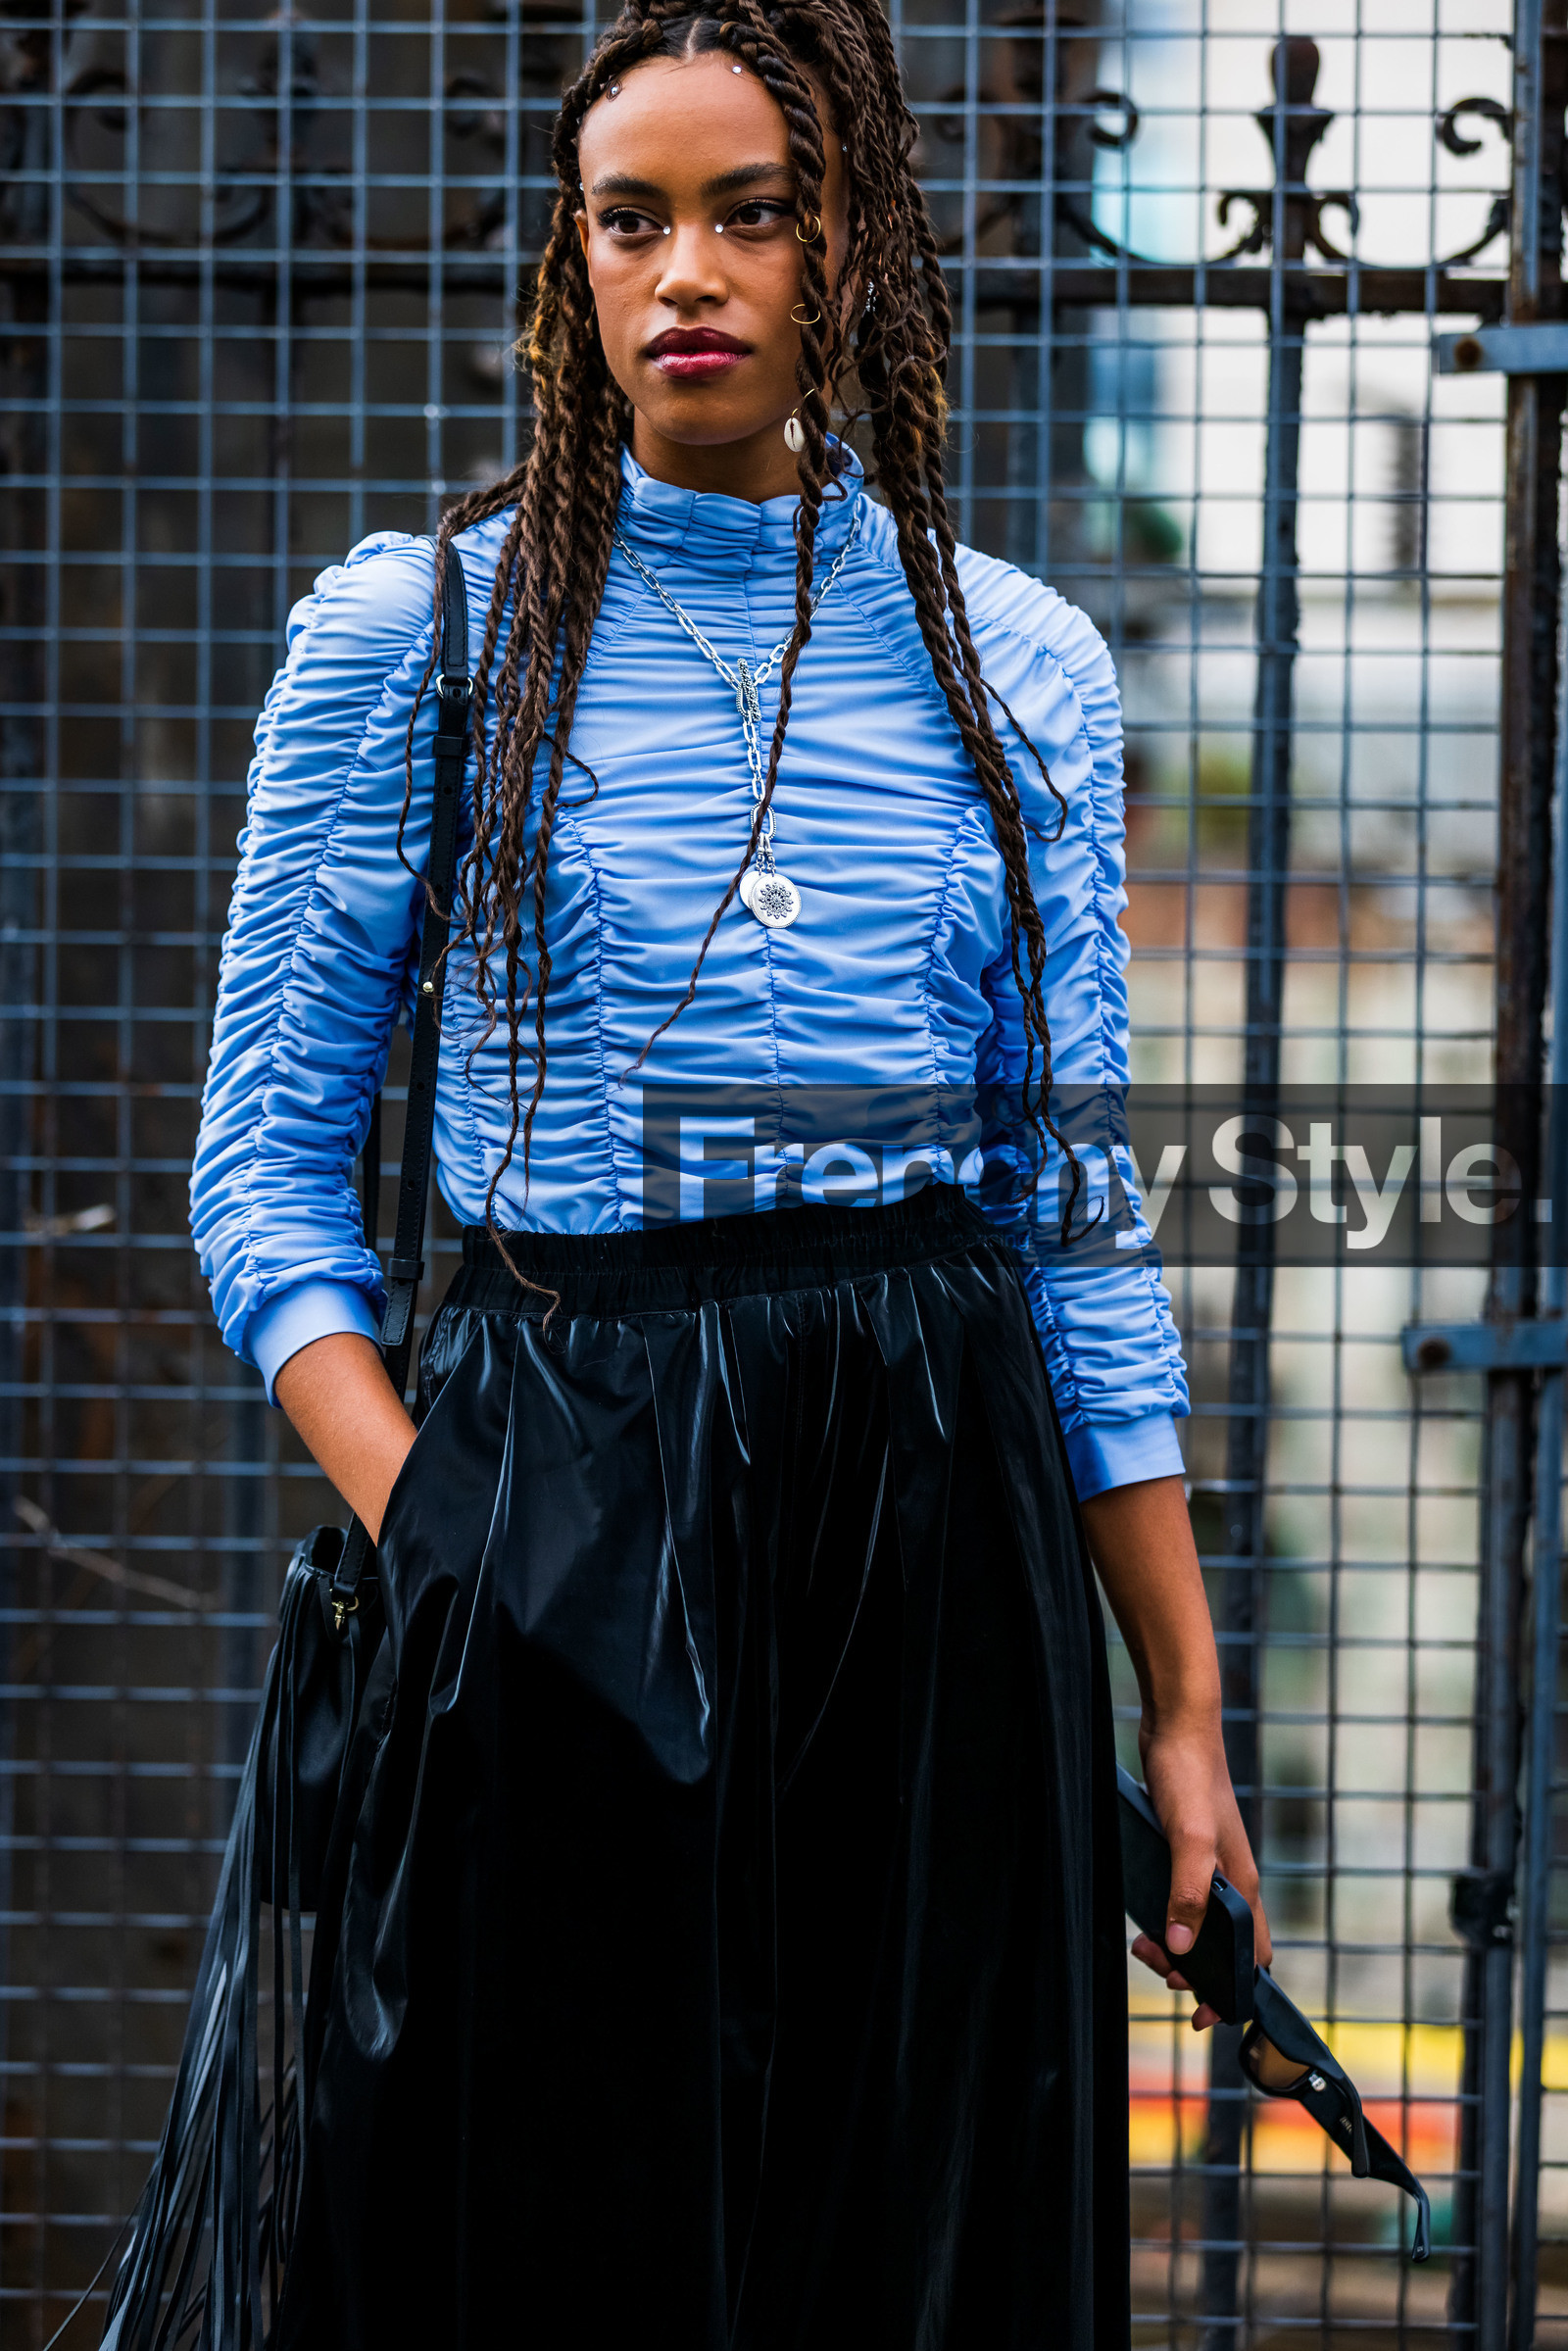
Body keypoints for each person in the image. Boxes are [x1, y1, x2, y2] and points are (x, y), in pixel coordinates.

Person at [187, 0, 1270, 2341]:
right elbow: (266, 1182)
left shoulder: (1023, 666)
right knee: (537, 2227)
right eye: (630, 217)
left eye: (751, 212)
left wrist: (1174, 1710)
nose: (687, 268)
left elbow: (1066, 1218)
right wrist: (457, 1534)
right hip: (560, 1484)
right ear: (570, 265)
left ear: (850, 244)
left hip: (930, 1513)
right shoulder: (424, 638)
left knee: (906, 2242)